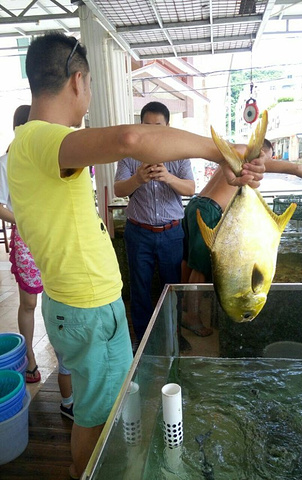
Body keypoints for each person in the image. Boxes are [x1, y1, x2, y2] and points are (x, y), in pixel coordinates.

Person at [7, 33, 266, 479]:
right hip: (88, 307)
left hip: (81, 304)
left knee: (100, 402)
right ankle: (86, 472)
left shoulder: (26, 147)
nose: (87, 101)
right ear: (78, 81)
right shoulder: (41, 140)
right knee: (96, 414)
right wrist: (225, 152)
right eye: (87, 89)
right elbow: (131, 137)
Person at [0, 105, 74, 417]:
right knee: (29, 303)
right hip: (28, 240)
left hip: (55, 237)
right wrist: (24, 220)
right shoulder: (7, 161)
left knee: (60, 299)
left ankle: (67, 364)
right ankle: (30, 359)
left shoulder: (50, 156)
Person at [182, 140, 302, 285]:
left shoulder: (232, 157)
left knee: (189, 260)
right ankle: (193, 307)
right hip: (210, 210)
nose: (267, 162)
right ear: (262, 152)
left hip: (194, 205)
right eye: (268, 157)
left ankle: (180, 298)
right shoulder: (251, 160)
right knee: (200, 267)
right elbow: (295, 168)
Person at [113, 101, 198, 345]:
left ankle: (173, 337)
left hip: (172, 233)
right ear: (141, 126)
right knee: (139, 291)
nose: (151, 131)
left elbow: (191, 189)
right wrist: (138, 178)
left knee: (171, 289)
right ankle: (143, 342)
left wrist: (169, 177)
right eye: (147, 126)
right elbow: (119, 188)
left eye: (158, 126)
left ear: (168, 127)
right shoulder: (129, 156)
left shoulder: (180, 154)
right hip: (138, 232)